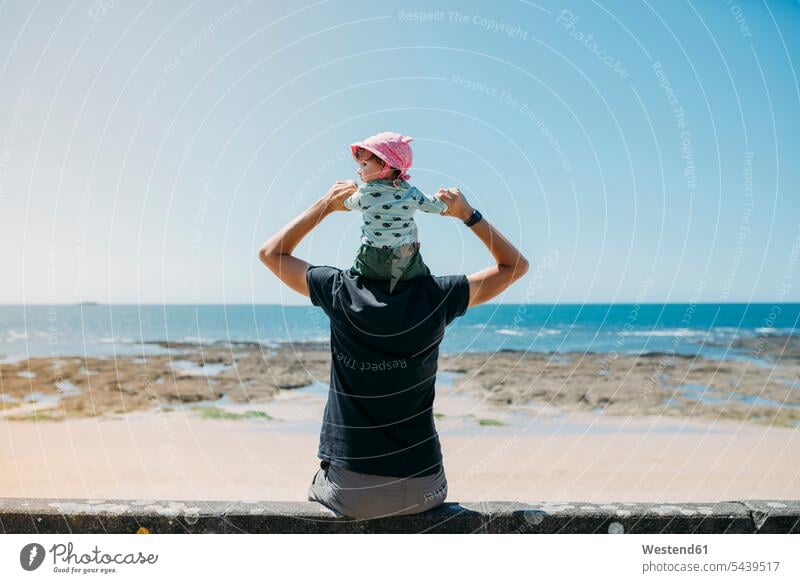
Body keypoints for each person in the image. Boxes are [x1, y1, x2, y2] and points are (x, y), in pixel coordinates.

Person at [258, 180, 529, 519]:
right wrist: (468, 215)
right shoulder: (440, 295)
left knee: (319, 491)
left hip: (350, 490)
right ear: (415, 247)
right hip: (426, 486)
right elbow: (514, 266)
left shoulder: (339, 290)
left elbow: (271, 253)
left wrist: (326, 205)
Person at [344, 131, 449, 289]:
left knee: (356, 281)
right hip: (404, 257)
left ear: (387, 165)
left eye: (364, 165)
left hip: (371, 258)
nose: (359, 171)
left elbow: (347, 203)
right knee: (424, 282)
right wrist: (444, 201)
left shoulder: (364, 194)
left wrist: (350, 190)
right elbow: (435, 207)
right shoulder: (410, 193)